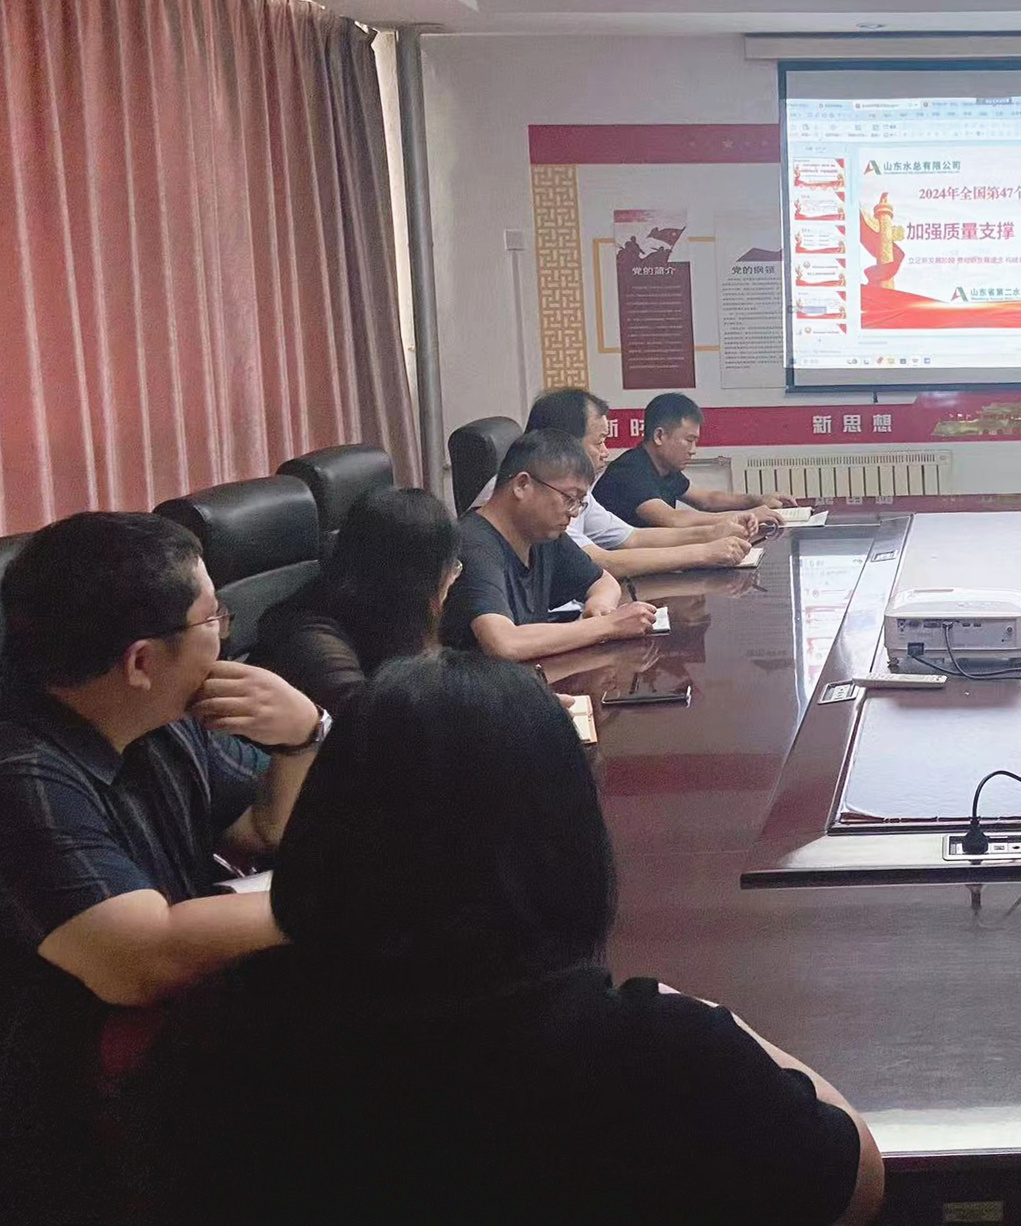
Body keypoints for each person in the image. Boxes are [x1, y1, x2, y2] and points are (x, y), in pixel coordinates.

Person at [127, 652, 885, 1225]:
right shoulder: (656, 1049)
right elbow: (855, 1183)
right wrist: (723, 1023)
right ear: (565, 837)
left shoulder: (208, 1041)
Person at [0, 513, 328, 1225]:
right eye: (212, 617)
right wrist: (355, 892)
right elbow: (143, 958)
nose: (226, 634)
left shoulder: (159, 719)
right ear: (142, 662)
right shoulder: (21, 772)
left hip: (175, 1049)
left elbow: (264, 830)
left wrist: (302, 739)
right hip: (72, 1113)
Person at [444, 428, 660, 660]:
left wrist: (599, 606)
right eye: (569, 499)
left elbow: (603, 581)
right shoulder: (473, 545)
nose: (573, 513)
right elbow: (504, 643)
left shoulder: (540, 533)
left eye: (579, 503)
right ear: (522, 485)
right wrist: (608, 625)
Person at [504, 388, 753, 576]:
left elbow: (632, 538)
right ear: (564, 443)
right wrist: (704, 552)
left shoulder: (575, 493)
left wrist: (714, 532)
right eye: (599, 442)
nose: (606, 452)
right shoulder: (537, 494)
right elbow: (600, 561)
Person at [254, 487, 461, 712]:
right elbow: (367, 723)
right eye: (451, 569)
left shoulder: (383, 611)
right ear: (416, 583)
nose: (453, 579)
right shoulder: (311, 637)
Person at [592, 392, 786, 531]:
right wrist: (748, 515)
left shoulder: (665, 468)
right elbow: (673, 520)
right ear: (659, 436)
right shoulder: (629, 471)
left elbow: (708, 500)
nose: (693, 450)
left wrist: (758, 500)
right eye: (689, 440)